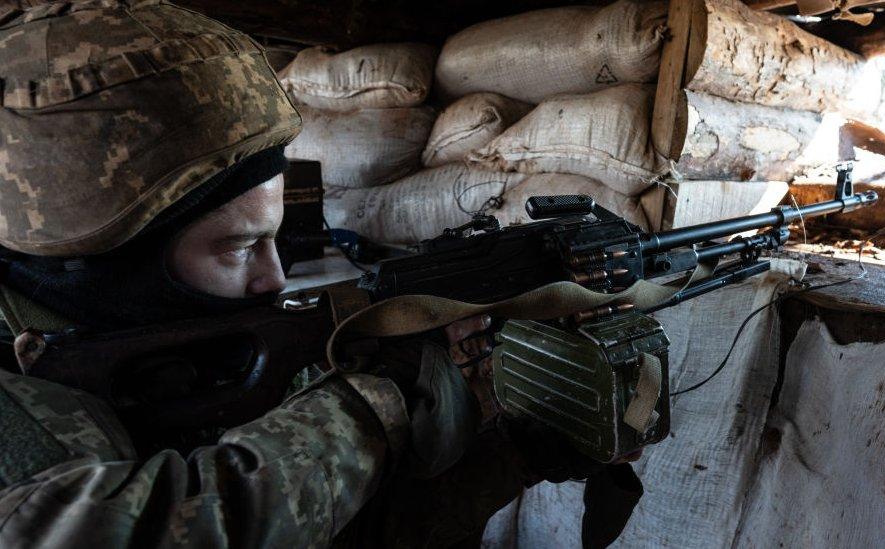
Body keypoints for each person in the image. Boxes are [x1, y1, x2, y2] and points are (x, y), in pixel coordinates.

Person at [0, 1, 530, 546]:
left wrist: (513, 456)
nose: (274, 278)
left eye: (273, 238)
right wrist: (365, 411)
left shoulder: (187, 358)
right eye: (238, 247)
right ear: (112, 269)